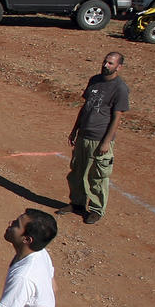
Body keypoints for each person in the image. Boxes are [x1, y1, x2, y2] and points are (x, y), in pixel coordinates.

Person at [58, 52, 128, 225]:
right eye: (105, 61)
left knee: (97, 176)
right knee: (77, 172)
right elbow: (85, 107)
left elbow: (117, 117)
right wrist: (75, 129)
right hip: (84, 135)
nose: (106, 65)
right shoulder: (95, 80)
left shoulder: (120, 88)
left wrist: (106, 141)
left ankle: (96, 210)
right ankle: (77, 203)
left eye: (110, 63)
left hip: (100, 138)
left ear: (119, 67)